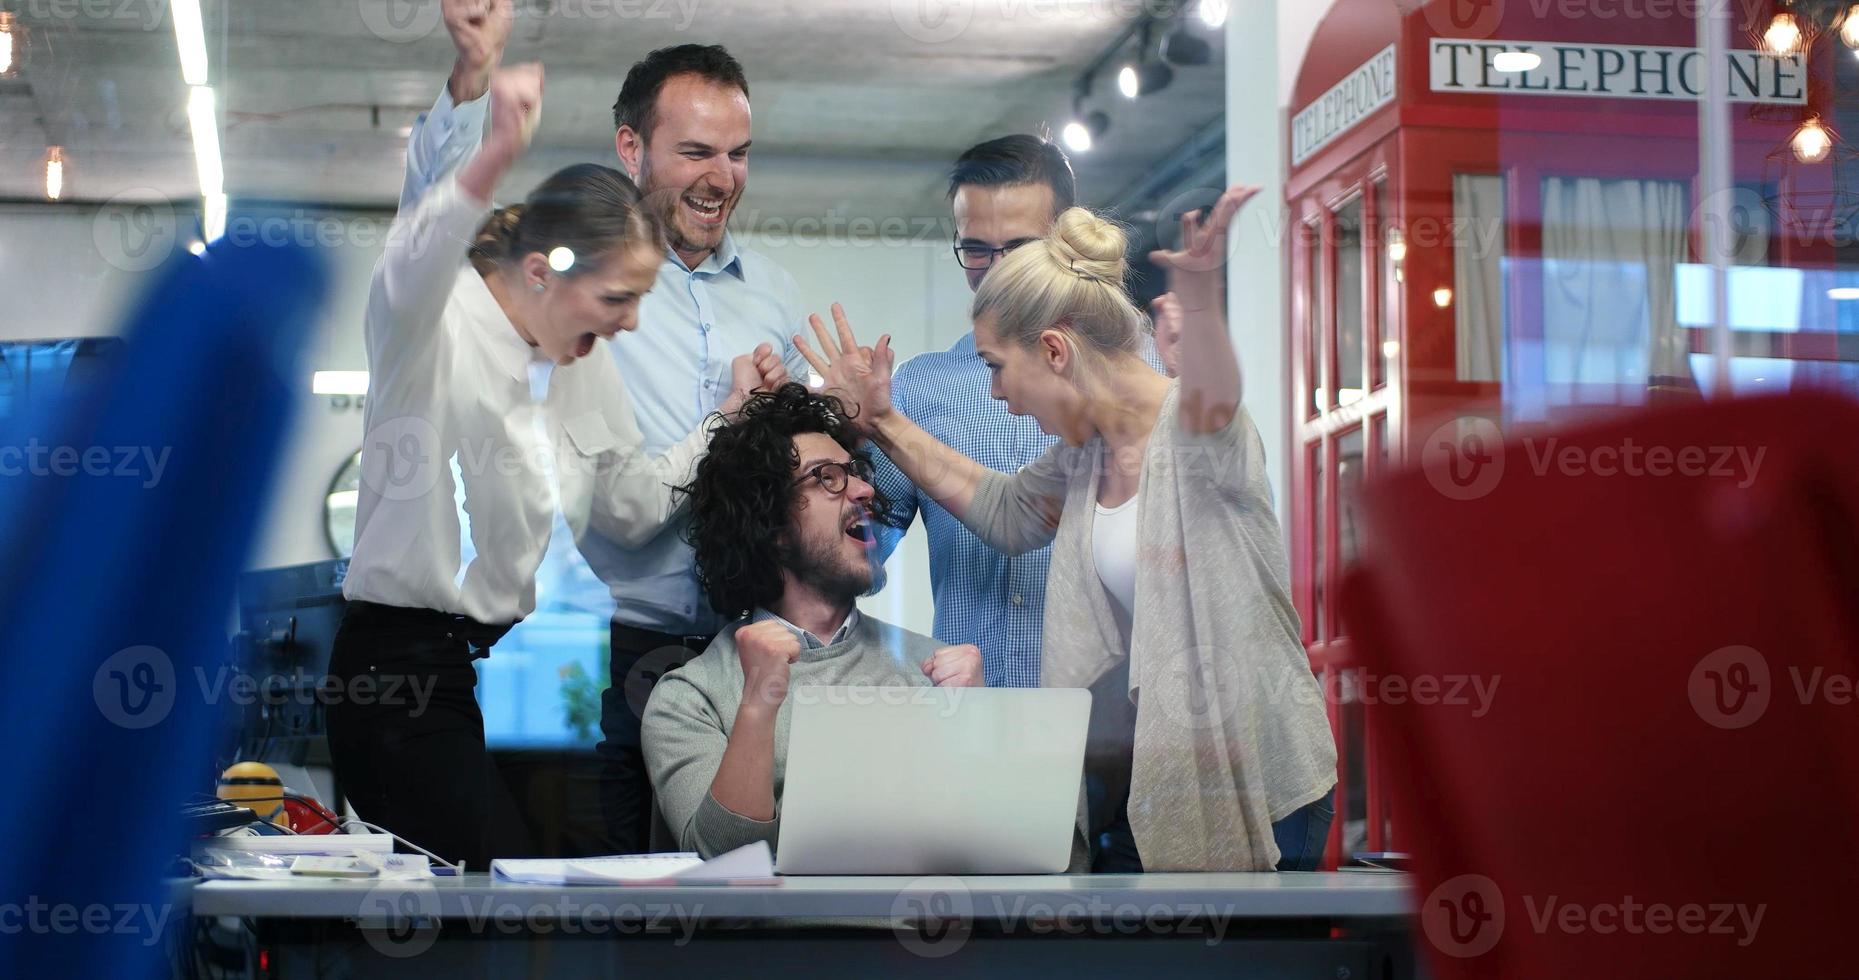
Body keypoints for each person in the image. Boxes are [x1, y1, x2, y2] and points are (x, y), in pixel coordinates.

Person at [797, 187, 1339, 872]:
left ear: (1054, 350)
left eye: (996, 367)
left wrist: (1200, 306)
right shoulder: (1086, 453)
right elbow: (1005, 510)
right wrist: (880, 419)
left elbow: (1213, 399)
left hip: (1259, 789)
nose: (994, 393)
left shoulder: (1194, 430)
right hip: (1156, 781)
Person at [327, 64, 785, 870]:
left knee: (530, 892)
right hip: (390, 674)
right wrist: (492, 134)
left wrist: (728, 418)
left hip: (477, 670)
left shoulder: (574, 364)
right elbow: (420, 234)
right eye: (617, 300)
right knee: (493, 904)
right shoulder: (430, 324)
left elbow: (635, 504)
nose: (630, 322)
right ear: (543, 271)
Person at [640, 383, 984, 857]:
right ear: (771, 528)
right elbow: (728, 872)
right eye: (827, 477)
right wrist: (758, 702)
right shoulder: (691, 697)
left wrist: (981, 724)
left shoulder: (937, 671)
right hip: (782, 934)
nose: (865, 489)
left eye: (857, 473)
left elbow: (1032, 860)